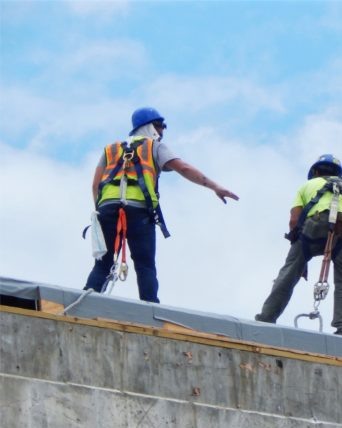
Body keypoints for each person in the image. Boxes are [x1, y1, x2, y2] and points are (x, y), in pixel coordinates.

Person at [83, 107, 239, 302]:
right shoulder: (154, 147)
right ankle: (150, 310)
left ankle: (85, 303)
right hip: (138, 212)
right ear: (149, 127)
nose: (162, 132)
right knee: (145, 265)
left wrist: (101, 213)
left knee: (103, 264)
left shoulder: (111, 150)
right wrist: (215, 186)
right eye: (160, 127)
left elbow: (95, 185)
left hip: (107, 210)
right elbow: (183, 167)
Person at [255, 154, 342, 337]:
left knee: (289, 273)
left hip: (312, 228)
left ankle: (266, 319)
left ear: (315, 172)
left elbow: (294, 220)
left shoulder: (307, 186)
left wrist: (300, 255)